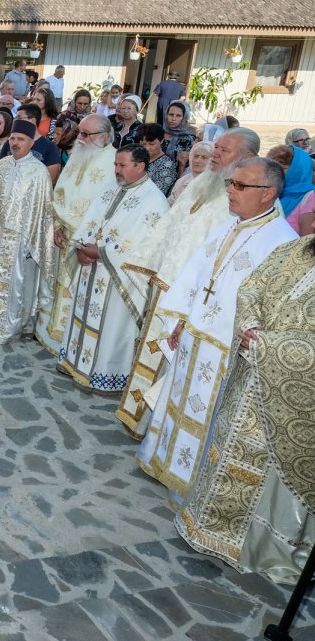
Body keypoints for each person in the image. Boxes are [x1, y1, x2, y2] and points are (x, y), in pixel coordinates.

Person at [138, 158, 296, 505]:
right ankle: (162, 461)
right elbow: (197, 272)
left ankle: (190, 485)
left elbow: (272, 305)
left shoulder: (282, 242)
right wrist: (180, 316)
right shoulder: (228, 225)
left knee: (206, 414)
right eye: (230, 183)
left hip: (224, 349)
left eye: (240, 185)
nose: (229, 190)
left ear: (268, 193)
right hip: (195, 335)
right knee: (179, 402)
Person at [175, 234, 315, 581]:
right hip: (250, 373)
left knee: (273, 470)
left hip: (295, 400)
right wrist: (249, 324)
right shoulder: (298, 246)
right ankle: (207, 527)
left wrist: (272, 346)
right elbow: (253, 284)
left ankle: (260, 549)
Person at [116, 128, 261, 434]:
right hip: (168, 284)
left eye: (224, 151)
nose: (215, 155)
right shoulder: (203, 184)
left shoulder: (243, 202)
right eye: (215, 148)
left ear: (247, 158)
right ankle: (140, 423)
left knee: (172, 364)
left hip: (193, 299)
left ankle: (156, 431)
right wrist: (151, 265)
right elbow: (172, 225)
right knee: (152, 354)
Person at [57, 145, 170, 392]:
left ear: (140, 166)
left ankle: (102, 376)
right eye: (115, 165)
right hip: (91, 267)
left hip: (118, 278)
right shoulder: (110, 188)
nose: (116, 170)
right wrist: (79, 248)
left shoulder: (154, 202)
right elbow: (89, 221)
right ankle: (74, 364)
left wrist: (102, 253)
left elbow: (145, 247)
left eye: (122, 165)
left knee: (111, 326)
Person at [34, 115, 117, 355]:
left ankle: (69, 341)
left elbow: (106, 208)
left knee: (77, 290)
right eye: (79, 132)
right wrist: (57, 225)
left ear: (103, 136)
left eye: (85, 134)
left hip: (87, 243)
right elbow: (61, 190)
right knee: (58, 284)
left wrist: (84, 240)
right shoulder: (79, 153)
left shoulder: (113, 162)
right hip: (64, 233)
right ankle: (50, 333)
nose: (79, 138)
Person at [0, 119, 57, 344]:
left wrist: (32, 241)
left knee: (15, 284)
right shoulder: (1, 164)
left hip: (20, 238)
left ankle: (10, 328)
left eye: (21, 139)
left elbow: (43, 211)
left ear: (30, 143)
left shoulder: (39, 172)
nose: (15, 143)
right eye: (13, 138)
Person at [280, 127, 314, 215]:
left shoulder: (312, 157)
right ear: (291, 142)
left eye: (307, 139)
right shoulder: (285, 158)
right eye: (300, 140)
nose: (305, 142)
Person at [168, 140, 212, 205]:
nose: (197, 161)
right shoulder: (182, 181)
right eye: (196, 156)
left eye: (204, 157)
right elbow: (169, 204)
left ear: (212, 161)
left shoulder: (213, 184)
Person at [139, 123, 178, 196]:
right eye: (143, 144)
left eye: (152, 144)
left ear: (162, 140)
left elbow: (157, 193)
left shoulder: (167, 165)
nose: (147, 148)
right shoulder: (137, 157)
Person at [161, 100, 196, 173]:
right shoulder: (158, 133)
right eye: (171, 114)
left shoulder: (189, 139)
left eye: (178, 116)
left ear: (184, 118)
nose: (173, 119)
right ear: (166, 115)